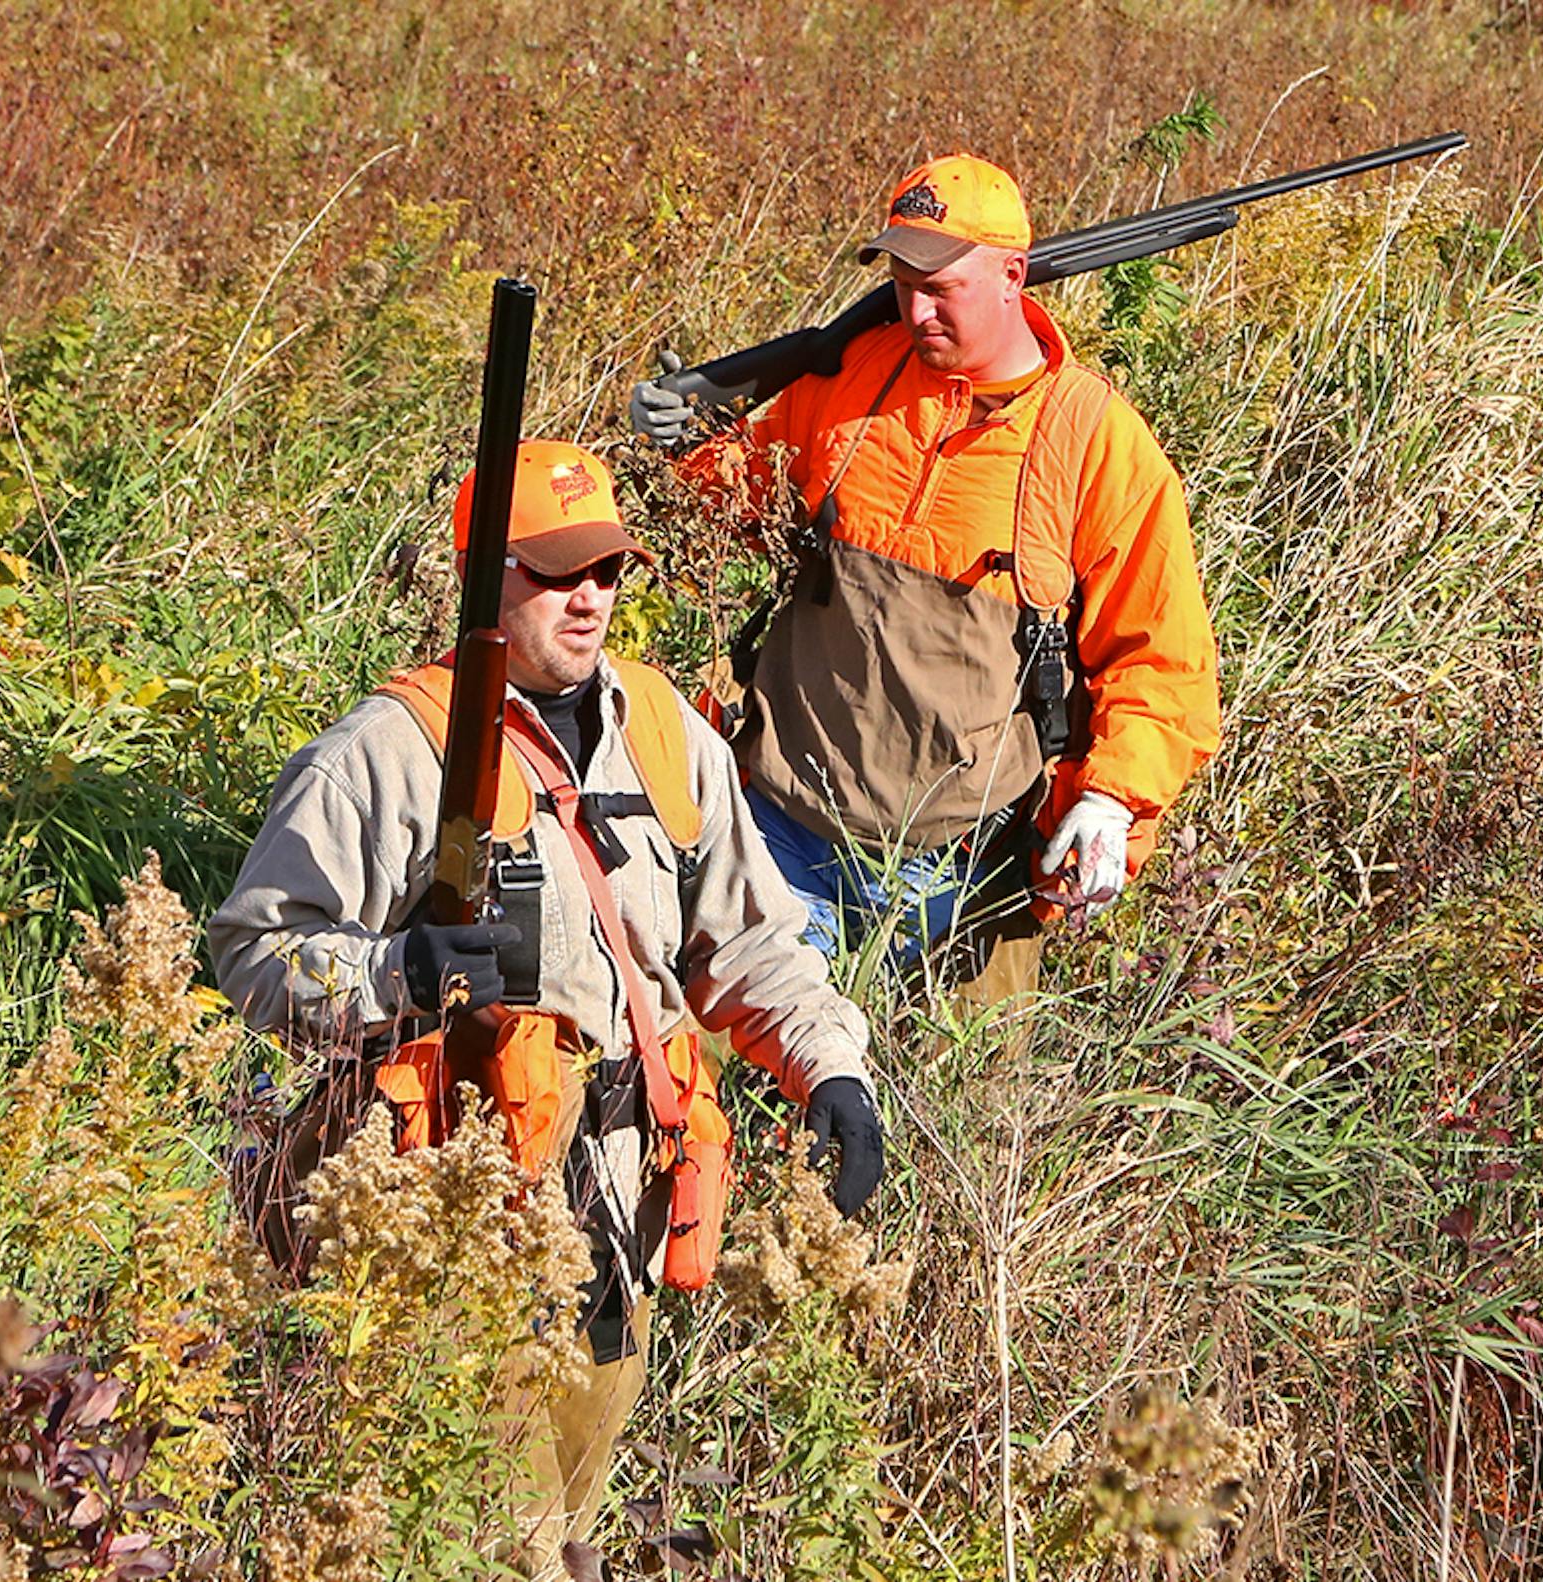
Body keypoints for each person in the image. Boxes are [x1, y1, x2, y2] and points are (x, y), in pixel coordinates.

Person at [207, 440, 883, 1571]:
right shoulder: (393, 751)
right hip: (461, 1223)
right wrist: (392, 977)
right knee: (495, 1541)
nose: (591, 597)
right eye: (557, 571)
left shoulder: (669, 735)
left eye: (610, 570)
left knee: (574, 1528)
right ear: (482, 578)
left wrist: (836, 1072)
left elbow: (752, 946)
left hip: (625, 1211)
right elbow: (253, 948)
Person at [630, 152, 1220, 1007]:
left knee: (950, 1127)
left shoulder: (1098, 442)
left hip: (967, 874)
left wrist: (1112, 801)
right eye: (904, 281)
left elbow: (1163, 665)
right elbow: (747, 508)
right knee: (735, 1092)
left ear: (1015, 276)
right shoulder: (851, 379)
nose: (915, 307)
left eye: (943, 286)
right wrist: (687, 445)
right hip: (789, 829)